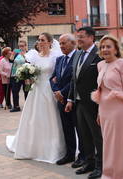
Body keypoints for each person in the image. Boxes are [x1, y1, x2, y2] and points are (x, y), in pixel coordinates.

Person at [6, 32, 66, 163]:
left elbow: (59, 73)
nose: (40, 42)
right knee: (34, 117)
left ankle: (53, 147)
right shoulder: (33, 55)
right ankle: (32, 146)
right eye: (39, 40)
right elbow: (31, 72)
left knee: (51, 117)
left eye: (43, 40)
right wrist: (27, 76)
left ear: (50, 42)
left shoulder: (56, 56)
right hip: (36, 90)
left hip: (50, 89)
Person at [91, 35, 123, 179]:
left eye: (108, 46)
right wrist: (99, 113)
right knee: (107, 143)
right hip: (104, 110)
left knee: (120, 145)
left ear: (115, 49)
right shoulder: (100, 65)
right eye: (102, 47)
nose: (105, 49)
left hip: (118, 110)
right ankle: (109, 173)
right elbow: (100, 90)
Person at [65, 26, 103, 179]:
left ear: (91, 37)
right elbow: (74, 79)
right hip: (79, 103)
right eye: (77, 36)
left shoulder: (99, 55)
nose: (78, 39)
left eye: (81, 36)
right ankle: (89, 162)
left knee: (97, 136)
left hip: (94, 104)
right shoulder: (78, 54)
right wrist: (70, 99)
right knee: (84, 135)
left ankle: (101, 165)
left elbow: (102, 82)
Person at [50, 33, 84, 166]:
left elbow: (75, 80)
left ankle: (83, 156)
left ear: (73, 43)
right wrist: (56, 91)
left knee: (80, 130)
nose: (61, 46)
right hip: (61, 101)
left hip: (74, 100)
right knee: (67, 128)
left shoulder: (79, 57)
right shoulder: (59, 59)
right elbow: (52, 78)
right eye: (60, 43)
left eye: (64, 43)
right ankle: (70, 154)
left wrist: (62, 92)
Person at [10, 40, 29, 112]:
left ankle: (28, 106)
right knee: (15, 91)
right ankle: (16, 106)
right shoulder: (16, 54)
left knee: (26, 91)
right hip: (16, 75)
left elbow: (30, 62)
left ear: (25, 46)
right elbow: (11, 60)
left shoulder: (28, 54)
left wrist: (24, 55)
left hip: (26, 75)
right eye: (20, 46)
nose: (21, 47)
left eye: (22, 46)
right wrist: (13, 54)